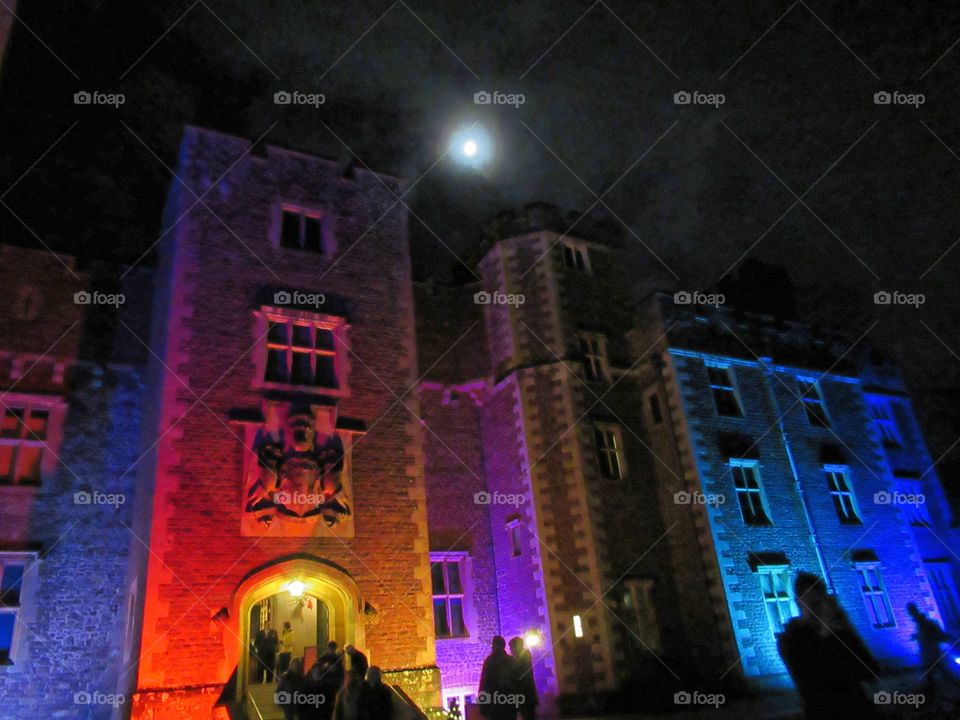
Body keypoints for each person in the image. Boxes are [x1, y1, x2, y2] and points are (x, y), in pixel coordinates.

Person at [778, 572, 879, 720]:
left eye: (821, 601)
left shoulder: (838, 634)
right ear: (799, 601)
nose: (818, 609)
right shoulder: (790, 639)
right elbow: (812, 684)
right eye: (813, 603)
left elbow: (871, 671)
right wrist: (825, 630)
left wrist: (846, 625)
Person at [907, 602, 953, 699]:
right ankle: (937, 692)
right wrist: (917, 636)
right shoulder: (920, 624)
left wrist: (932, 638)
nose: (911, 615)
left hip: (932, 654)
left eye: (911, 612)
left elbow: (934, 636)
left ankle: (946, 692)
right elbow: (925, 636)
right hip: (928, 654)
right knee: (933, 673)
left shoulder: (927, 624)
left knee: (938, 672)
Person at [478, 636, 517, 720]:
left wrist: (483, 704)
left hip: (494, 704)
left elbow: (484, 683)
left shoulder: (489, 662)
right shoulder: (511, 661)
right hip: (508, 703)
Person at [509, 636, 538, 720]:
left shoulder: (522, 658)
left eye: (511, 648)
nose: (511, 650)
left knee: (528, 716)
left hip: (525, 695)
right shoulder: (524, 656)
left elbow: (519, 675)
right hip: (527, 696)